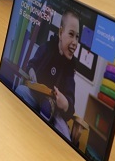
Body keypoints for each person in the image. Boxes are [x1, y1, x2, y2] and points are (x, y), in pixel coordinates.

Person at [17, 9, 80, 139]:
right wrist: (31, 70)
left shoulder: (70, 67)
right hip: (36, 95)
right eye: (71, 34)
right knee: (20, 90)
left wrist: (66, 104)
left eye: (77, 37)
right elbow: (32, 64)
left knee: (65, 135)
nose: (75, 42)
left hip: (55, 110)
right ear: (61, 33)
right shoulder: (46, 48)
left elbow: (70, 100)